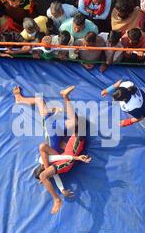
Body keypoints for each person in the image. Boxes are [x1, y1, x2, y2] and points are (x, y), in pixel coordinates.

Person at [13, 85, 91, 214]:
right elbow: (55, 174)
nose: (47, 176)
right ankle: (65, 97)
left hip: (52, 132)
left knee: (39, 100)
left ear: (42, 168)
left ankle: (19, 99)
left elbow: (45, 149)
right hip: (57, 135)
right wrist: (61, 190)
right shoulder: (52, 168)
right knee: (76, 122)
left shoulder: (45, 161)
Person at [101, 79, 145, 147]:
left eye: (116, 99)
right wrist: (108, 90)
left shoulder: (131, 106)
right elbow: (119, 82)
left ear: (124, 99)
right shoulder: (127, 84)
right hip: (144, 101)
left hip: (144, 111)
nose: (113, 100)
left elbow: (140, 117)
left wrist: (127, 122)